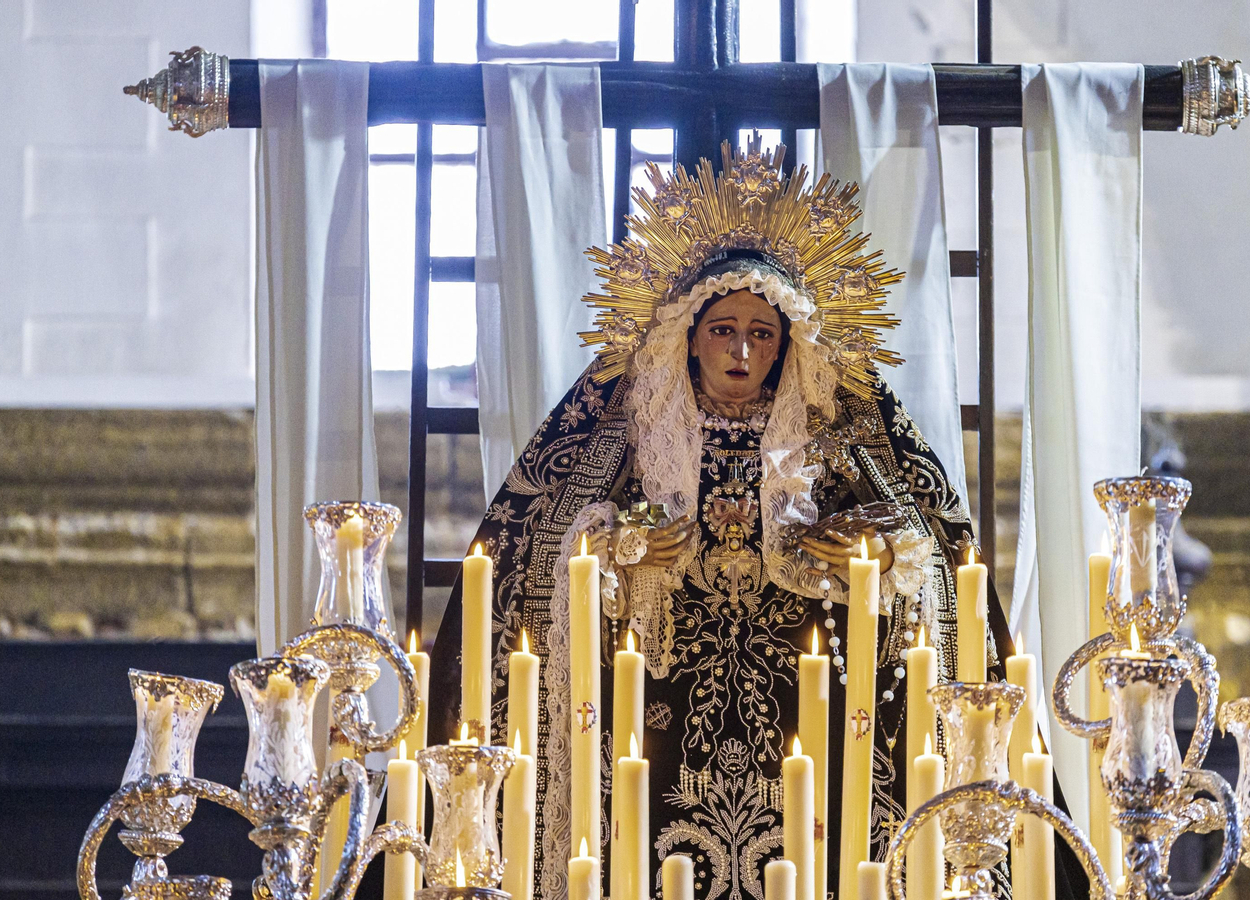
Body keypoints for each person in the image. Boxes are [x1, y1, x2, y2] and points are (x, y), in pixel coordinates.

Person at [431, 140, 1043, 900]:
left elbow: (940, 562)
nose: (743, 351)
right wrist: (617, 546)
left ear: (787, 343)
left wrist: (880, 551)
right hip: (653, 730)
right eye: (724, 329)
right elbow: (533, 549)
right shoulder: (623, 426)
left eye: (763, 332)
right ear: (689, 335)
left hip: (819, 733)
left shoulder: (843, 426)